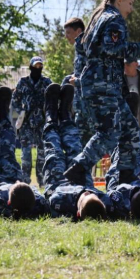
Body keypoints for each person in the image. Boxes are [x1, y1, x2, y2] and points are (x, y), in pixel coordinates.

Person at [64, 0, 140, 187]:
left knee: (130, 130)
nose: (131, 9)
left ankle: (126, 175)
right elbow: (112, 48)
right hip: (102, 86)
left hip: (104, 86)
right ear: (119, 1)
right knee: (109, 133)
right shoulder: (114, 19)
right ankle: (78, 169)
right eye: (130, 3)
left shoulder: (100, 18)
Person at [42, 83, 113, 220]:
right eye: (91, 194)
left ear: (78, 213)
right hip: (82, 180)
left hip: (58, 183)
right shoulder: (106, 202)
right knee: (75, 149)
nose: (88, 193)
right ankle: (66, 115)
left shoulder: (58, 202)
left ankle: (50, 115)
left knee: (54, 150)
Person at [0, 87, 49, 219]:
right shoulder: (39, 205)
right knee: (7, 151)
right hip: (13, 178)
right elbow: (37, 194)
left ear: (9, 203)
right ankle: (4, 115)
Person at [11, 56, 53, 186]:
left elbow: (53, 100)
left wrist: (48, 114)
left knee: (42, 156)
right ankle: (25, 183)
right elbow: (15, 100)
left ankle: (42, 183)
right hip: (26, 124)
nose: (38, 68)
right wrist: (21, 112)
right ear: (30, 67)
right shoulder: (23, 82)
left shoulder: (47, 82)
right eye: (35, 66)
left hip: (42, 124)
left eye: (40, 66)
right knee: (25, 156)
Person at [61, 17, 91, 146]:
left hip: (88, 106)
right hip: (80, 105)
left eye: (68, 33)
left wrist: (77, 81)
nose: (66, 36)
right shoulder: (78, 48)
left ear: (78, 31)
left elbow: (94, 74)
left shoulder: (86, 47)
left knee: (86, 142)